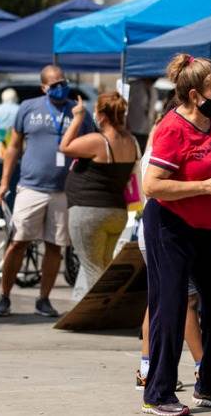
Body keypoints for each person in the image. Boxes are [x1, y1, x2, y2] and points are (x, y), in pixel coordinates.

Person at [141, 53, 211, 415]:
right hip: (171, 225)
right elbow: (151, 185)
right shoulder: (172, 127)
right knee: (170, 307)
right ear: (193, 93)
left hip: (209, 225)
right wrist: (204, 186)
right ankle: (158, 393)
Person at [0, 65, 94, 318]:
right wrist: (5, 180)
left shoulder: (79, 111)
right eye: (55, 83)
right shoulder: (28, 107)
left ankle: (44, 299)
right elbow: (14, 146)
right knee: (18, 243)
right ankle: (4, 296)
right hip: (31, 185)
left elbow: (93, 145)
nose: (61, 86)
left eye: (64, 81)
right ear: (44, 87)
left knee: (55, 246)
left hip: (64, 190)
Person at [59, 91, 136, 290]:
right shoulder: (131, 141)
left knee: (93, 269)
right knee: (103, 266)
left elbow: (65, 146)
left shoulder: (98, 141)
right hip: (116, 212)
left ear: (101, 115)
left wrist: (77, 118)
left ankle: (97, 318)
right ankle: (103, 313)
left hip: (89, 212)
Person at [127, 78, 158, 149]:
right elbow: (127, 105)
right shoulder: (134, 86)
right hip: (134, 128)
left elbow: (152, 109)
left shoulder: (153, 90)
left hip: (147, 129)